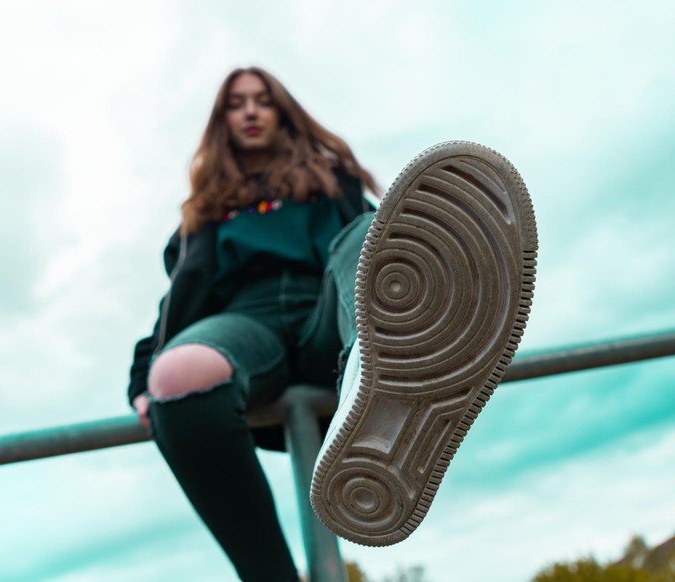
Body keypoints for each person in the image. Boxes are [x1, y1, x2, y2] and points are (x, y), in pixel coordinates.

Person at [127, 66, 537, 581]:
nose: (250, 111)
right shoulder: (204, 213)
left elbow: (385, 247)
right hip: (245, 326)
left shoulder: (330, 182)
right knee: (176, 374)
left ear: (282, 110)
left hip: (331, 313)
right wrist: (142, 376)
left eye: (262, 100)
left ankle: (378, 372)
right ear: (222, 120)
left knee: (368, 234)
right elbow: (174, 303)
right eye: (237, 103)